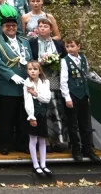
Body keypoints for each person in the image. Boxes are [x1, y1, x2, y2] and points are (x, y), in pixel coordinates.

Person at [0, 4, 31, 155]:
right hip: (6, 85)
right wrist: (12, 75)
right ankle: (5, 144)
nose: (11, 28)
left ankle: (21, 143)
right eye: (8, 26)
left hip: (25, 85)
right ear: (2, 27)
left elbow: (30, 60)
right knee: (7, 118)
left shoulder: (24, 41)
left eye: (13, 25)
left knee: (23, 117)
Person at [61, 37, 101, 162]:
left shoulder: (83, 59)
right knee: (73, 125)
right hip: (73, 95)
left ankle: (88, 149)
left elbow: (87, 74)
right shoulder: (65, 61)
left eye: (72, 46)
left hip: (84, 95)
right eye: (67, 47)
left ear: (78, 47)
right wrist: (67, 97)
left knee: (85, 124)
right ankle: (76, 149)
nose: (70, 49)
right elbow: (63, 81)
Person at [29, 18, 68, 152]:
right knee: (42, 113)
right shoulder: (32, 43)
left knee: (56, 111)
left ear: (51, 29)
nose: (43, 29)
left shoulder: (58, 44)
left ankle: (59, 140)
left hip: (54, 80)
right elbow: (30, 60)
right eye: (40, 26)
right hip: (39, 81)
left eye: (46, 26)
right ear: (37, 29)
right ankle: (44, 141)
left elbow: (64, 61)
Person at [24, 60, 53, 178]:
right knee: (33, 139)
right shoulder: (27, 84)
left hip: (43, 114)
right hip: (33, 114)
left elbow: (47, 98)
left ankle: (43, 164)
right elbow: (27, 101)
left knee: (42, 139)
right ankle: (36, 164)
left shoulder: (45, 82)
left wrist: (36, 94)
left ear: (39, 71)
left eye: (35, 69)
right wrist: (31, 116)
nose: (32, 71)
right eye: (30, 69)